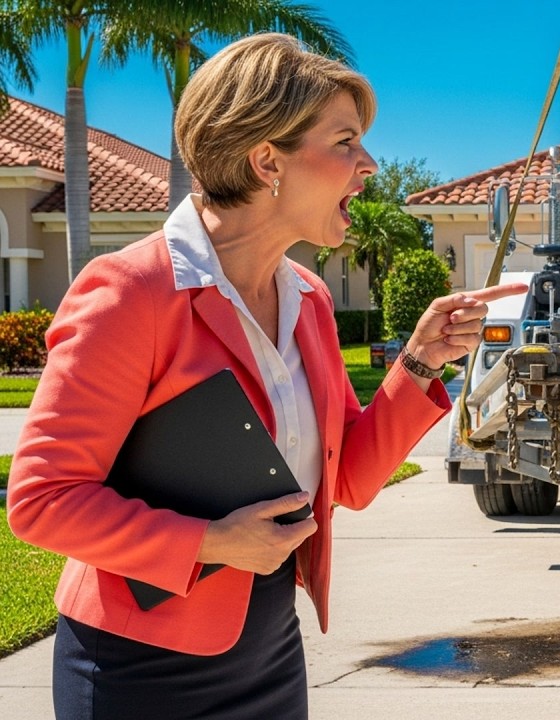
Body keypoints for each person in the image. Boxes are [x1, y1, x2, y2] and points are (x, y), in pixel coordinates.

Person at [5, 33, 526, 719]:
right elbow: (43, 500)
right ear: (266, 161)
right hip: (139, 668)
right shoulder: (131, 291)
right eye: (345, 142)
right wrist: (210, 543)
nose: (369, 165)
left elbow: (346, 480)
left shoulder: (308, 299)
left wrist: (420, 360)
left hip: (271, 647)